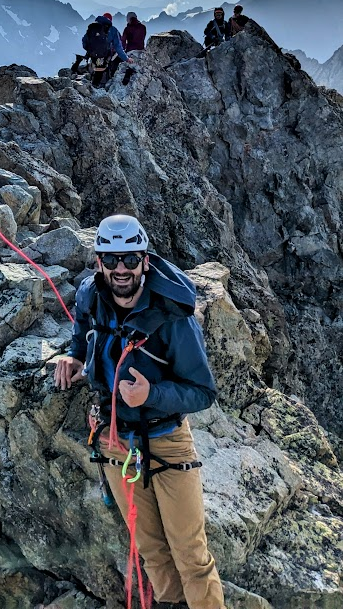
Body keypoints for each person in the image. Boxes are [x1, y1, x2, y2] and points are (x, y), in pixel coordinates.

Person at [54, 214, 225, 609]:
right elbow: (83, 333)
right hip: (115, 440)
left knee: (191, 556)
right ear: (99, 263)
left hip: (167, 441)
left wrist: (152, 394)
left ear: (145, 260)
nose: (120, 270)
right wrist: (74, 358)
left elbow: (202, 392)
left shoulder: (172, 318)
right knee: (151, 549)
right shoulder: (89, 295)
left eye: (130, 259)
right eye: (111, 260)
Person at [82, 13, 132, 86]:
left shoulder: (93, 28)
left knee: (97, 69)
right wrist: (126, 58)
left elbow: (84, 41)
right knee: (104, 69)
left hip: (93, 54)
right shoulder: (112, 29)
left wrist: (90, 51)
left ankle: (93, 86)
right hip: (105, 55)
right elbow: (118, 46)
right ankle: (100, 86)